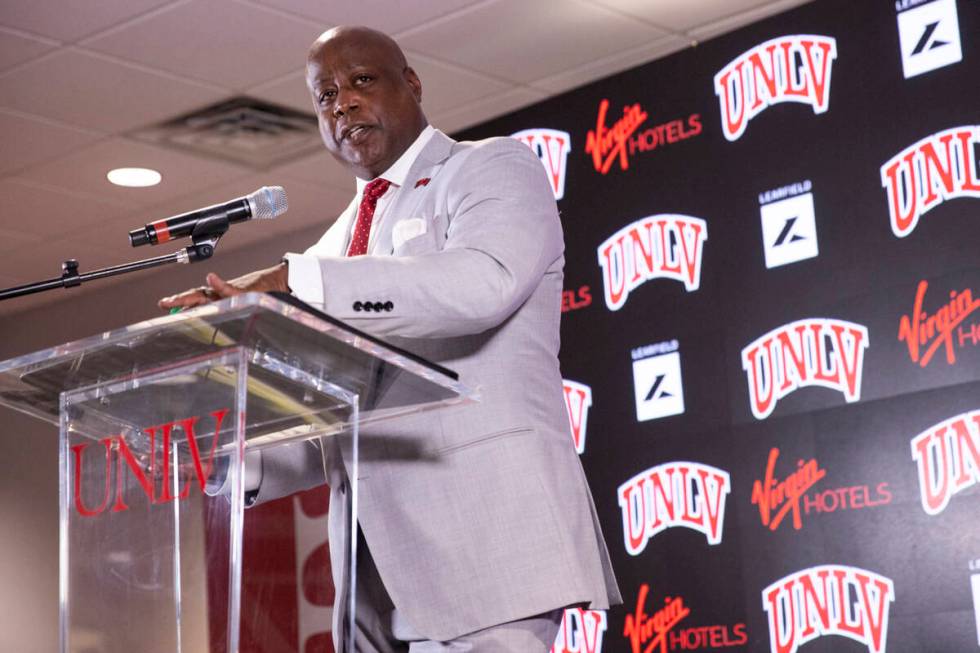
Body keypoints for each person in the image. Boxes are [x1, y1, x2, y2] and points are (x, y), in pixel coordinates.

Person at [160, 25, 620, 652]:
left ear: (412, 83)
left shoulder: (489, 167)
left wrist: (292, 277)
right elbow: (334, 411)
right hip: (373, 581)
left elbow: (484, 284)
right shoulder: (335, 243)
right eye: (324, 96)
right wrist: (216, 434)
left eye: (361, 81)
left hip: (485, 552)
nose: (342, 103)